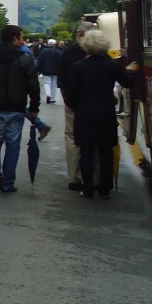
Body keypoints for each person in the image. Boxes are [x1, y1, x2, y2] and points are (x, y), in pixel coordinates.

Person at [63, 30, 138, 199]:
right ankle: (105, 187)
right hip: (105, 111)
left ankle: (88, 187)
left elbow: (71, 94)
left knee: (86, 151)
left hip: (84, 113)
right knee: (106, 150)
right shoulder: (111, 65)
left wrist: (79, 106)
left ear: (86, 46)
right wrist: (130, 70)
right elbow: (127, 82)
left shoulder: (78, 67)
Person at [0, 24, 40, 193]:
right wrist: (34, 107)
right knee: (13, 145)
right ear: (14, 38)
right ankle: (8, 182)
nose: (23, 40)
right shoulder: (24, 59)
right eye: (21, 37)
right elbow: (33, 85)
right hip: (17, 108)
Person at [58, 22, 92, 190]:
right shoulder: (102, 55)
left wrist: (67, 100)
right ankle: (95, 177)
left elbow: (62, 80)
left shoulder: (69, 53)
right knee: (95, 139)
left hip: (73, 102)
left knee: (72, 137)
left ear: (79, 34)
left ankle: (74, 177)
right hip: (96, 104)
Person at [36, 38, 62, 104]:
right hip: (55, 71)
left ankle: (48, 94)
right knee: (54, 84)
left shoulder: (43, 51)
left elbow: (40, 61)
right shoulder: (58, 52)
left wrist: (39, 70)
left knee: (47, 83)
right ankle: (52, 98)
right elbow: (60, 62)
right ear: (55, 44)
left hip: (45, 70)